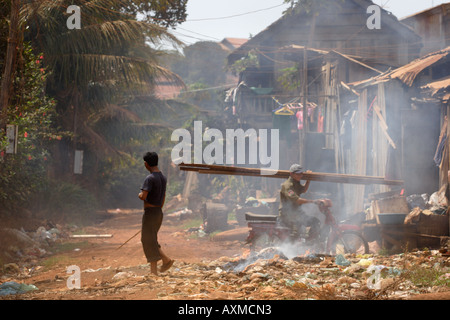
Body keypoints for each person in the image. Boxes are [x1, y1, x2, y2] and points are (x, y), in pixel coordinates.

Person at [138, 152, 174, 275]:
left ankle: (166, 260)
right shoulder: (163, 177)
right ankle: (155, 270)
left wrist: (139, 194)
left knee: (147, 240)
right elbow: (163, 197)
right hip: (158, 211)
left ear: (146, 164)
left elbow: (143, 196)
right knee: (151, 240)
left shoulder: (150, 178)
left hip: (150, 213)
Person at [279, 164, 322, 240]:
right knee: (296, 234)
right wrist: (313, 201)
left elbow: (303, 190)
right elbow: (297, 200)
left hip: (297, 213)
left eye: (301, 173)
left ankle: (309, 241)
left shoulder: (296, 182)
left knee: (315, 222)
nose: (300, 175)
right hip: (289, 214)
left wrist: (308, 180)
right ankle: (292, 247)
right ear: (291, 174)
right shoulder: (287, 186)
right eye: (298, 174)